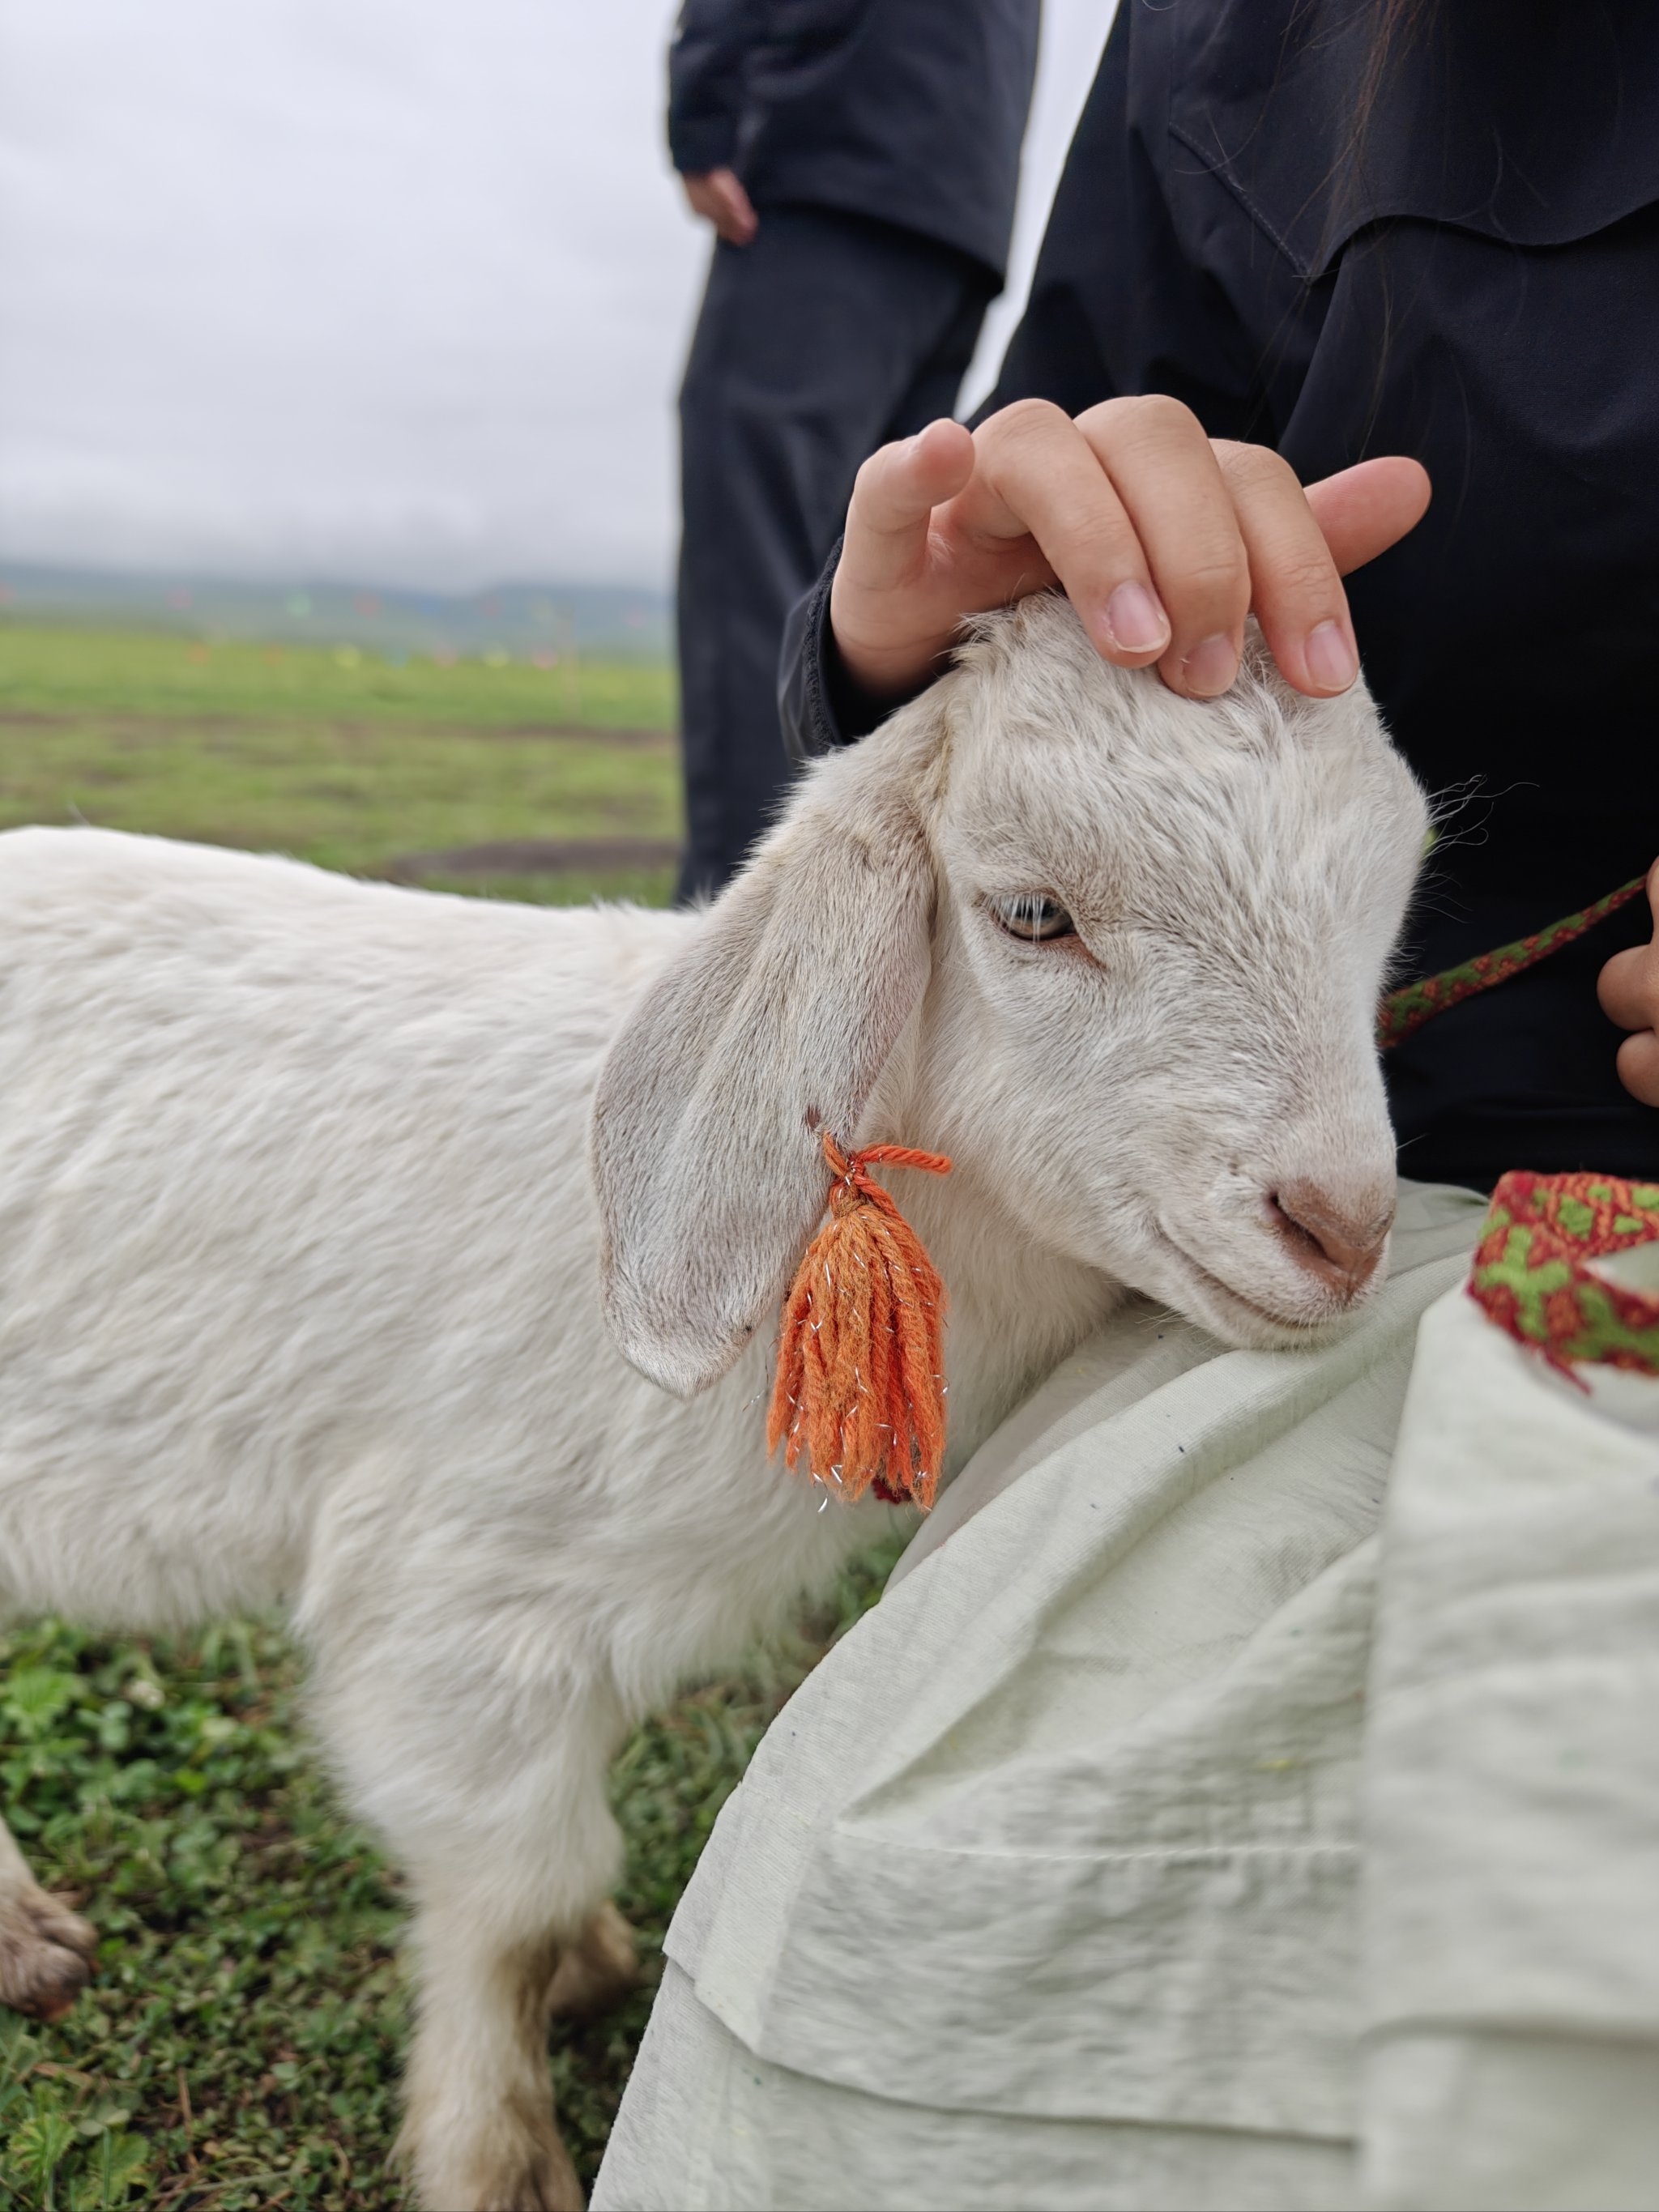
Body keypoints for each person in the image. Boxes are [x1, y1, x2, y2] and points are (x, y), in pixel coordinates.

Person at [597, 3, 1659, 2203]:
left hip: (1418, 1175)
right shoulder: (1241, 35)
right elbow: (1061, 487)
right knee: (918, 1961)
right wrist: (919, 622)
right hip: (1433, 1158)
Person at [667, 0, 1040, 901]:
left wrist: (702, 114)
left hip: (828, 140)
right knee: (872, 591)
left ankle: (743, 940)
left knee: (760, 558)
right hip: (962, 188)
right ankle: (847, 925)